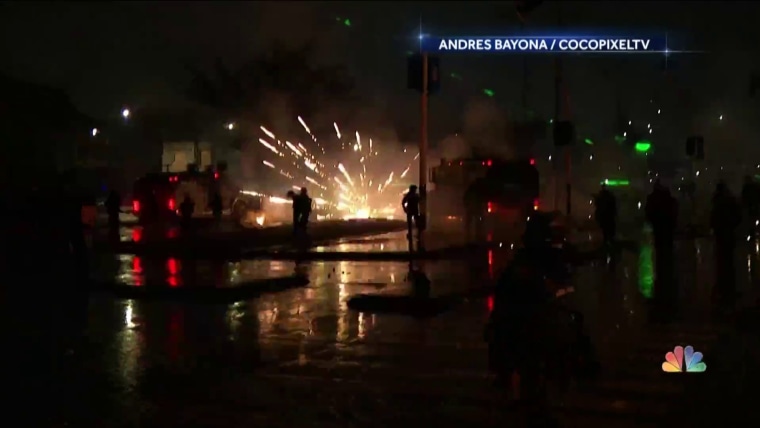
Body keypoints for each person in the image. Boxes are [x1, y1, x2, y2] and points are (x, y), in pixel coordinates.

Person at [486, 213, 570, 425]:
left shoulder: (523, 259)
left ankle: (523, 400)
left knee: (524, 362)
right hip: (531, 320)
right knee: (532, 361)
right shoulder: (542, 259)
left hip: (520, 321)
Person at [645, 180, 679, 316]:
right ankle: (667, 286)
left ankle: (661, 287)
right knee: (667, 258)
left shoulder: (654, 200)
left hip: (659, 232)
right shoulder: (670, 201)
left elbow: (648, 214)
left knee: (660, 259)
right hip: (667, 233)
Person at [710, 181, 741, 305]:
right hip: (728, 234)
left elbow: (713, 219)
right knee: (729, 261)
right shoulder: (730, 201)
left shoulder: (717, 202)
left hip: (721, 235)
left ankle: (723, 286)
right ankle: (729, 287)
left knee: (722, 261)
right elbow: (737, 217)